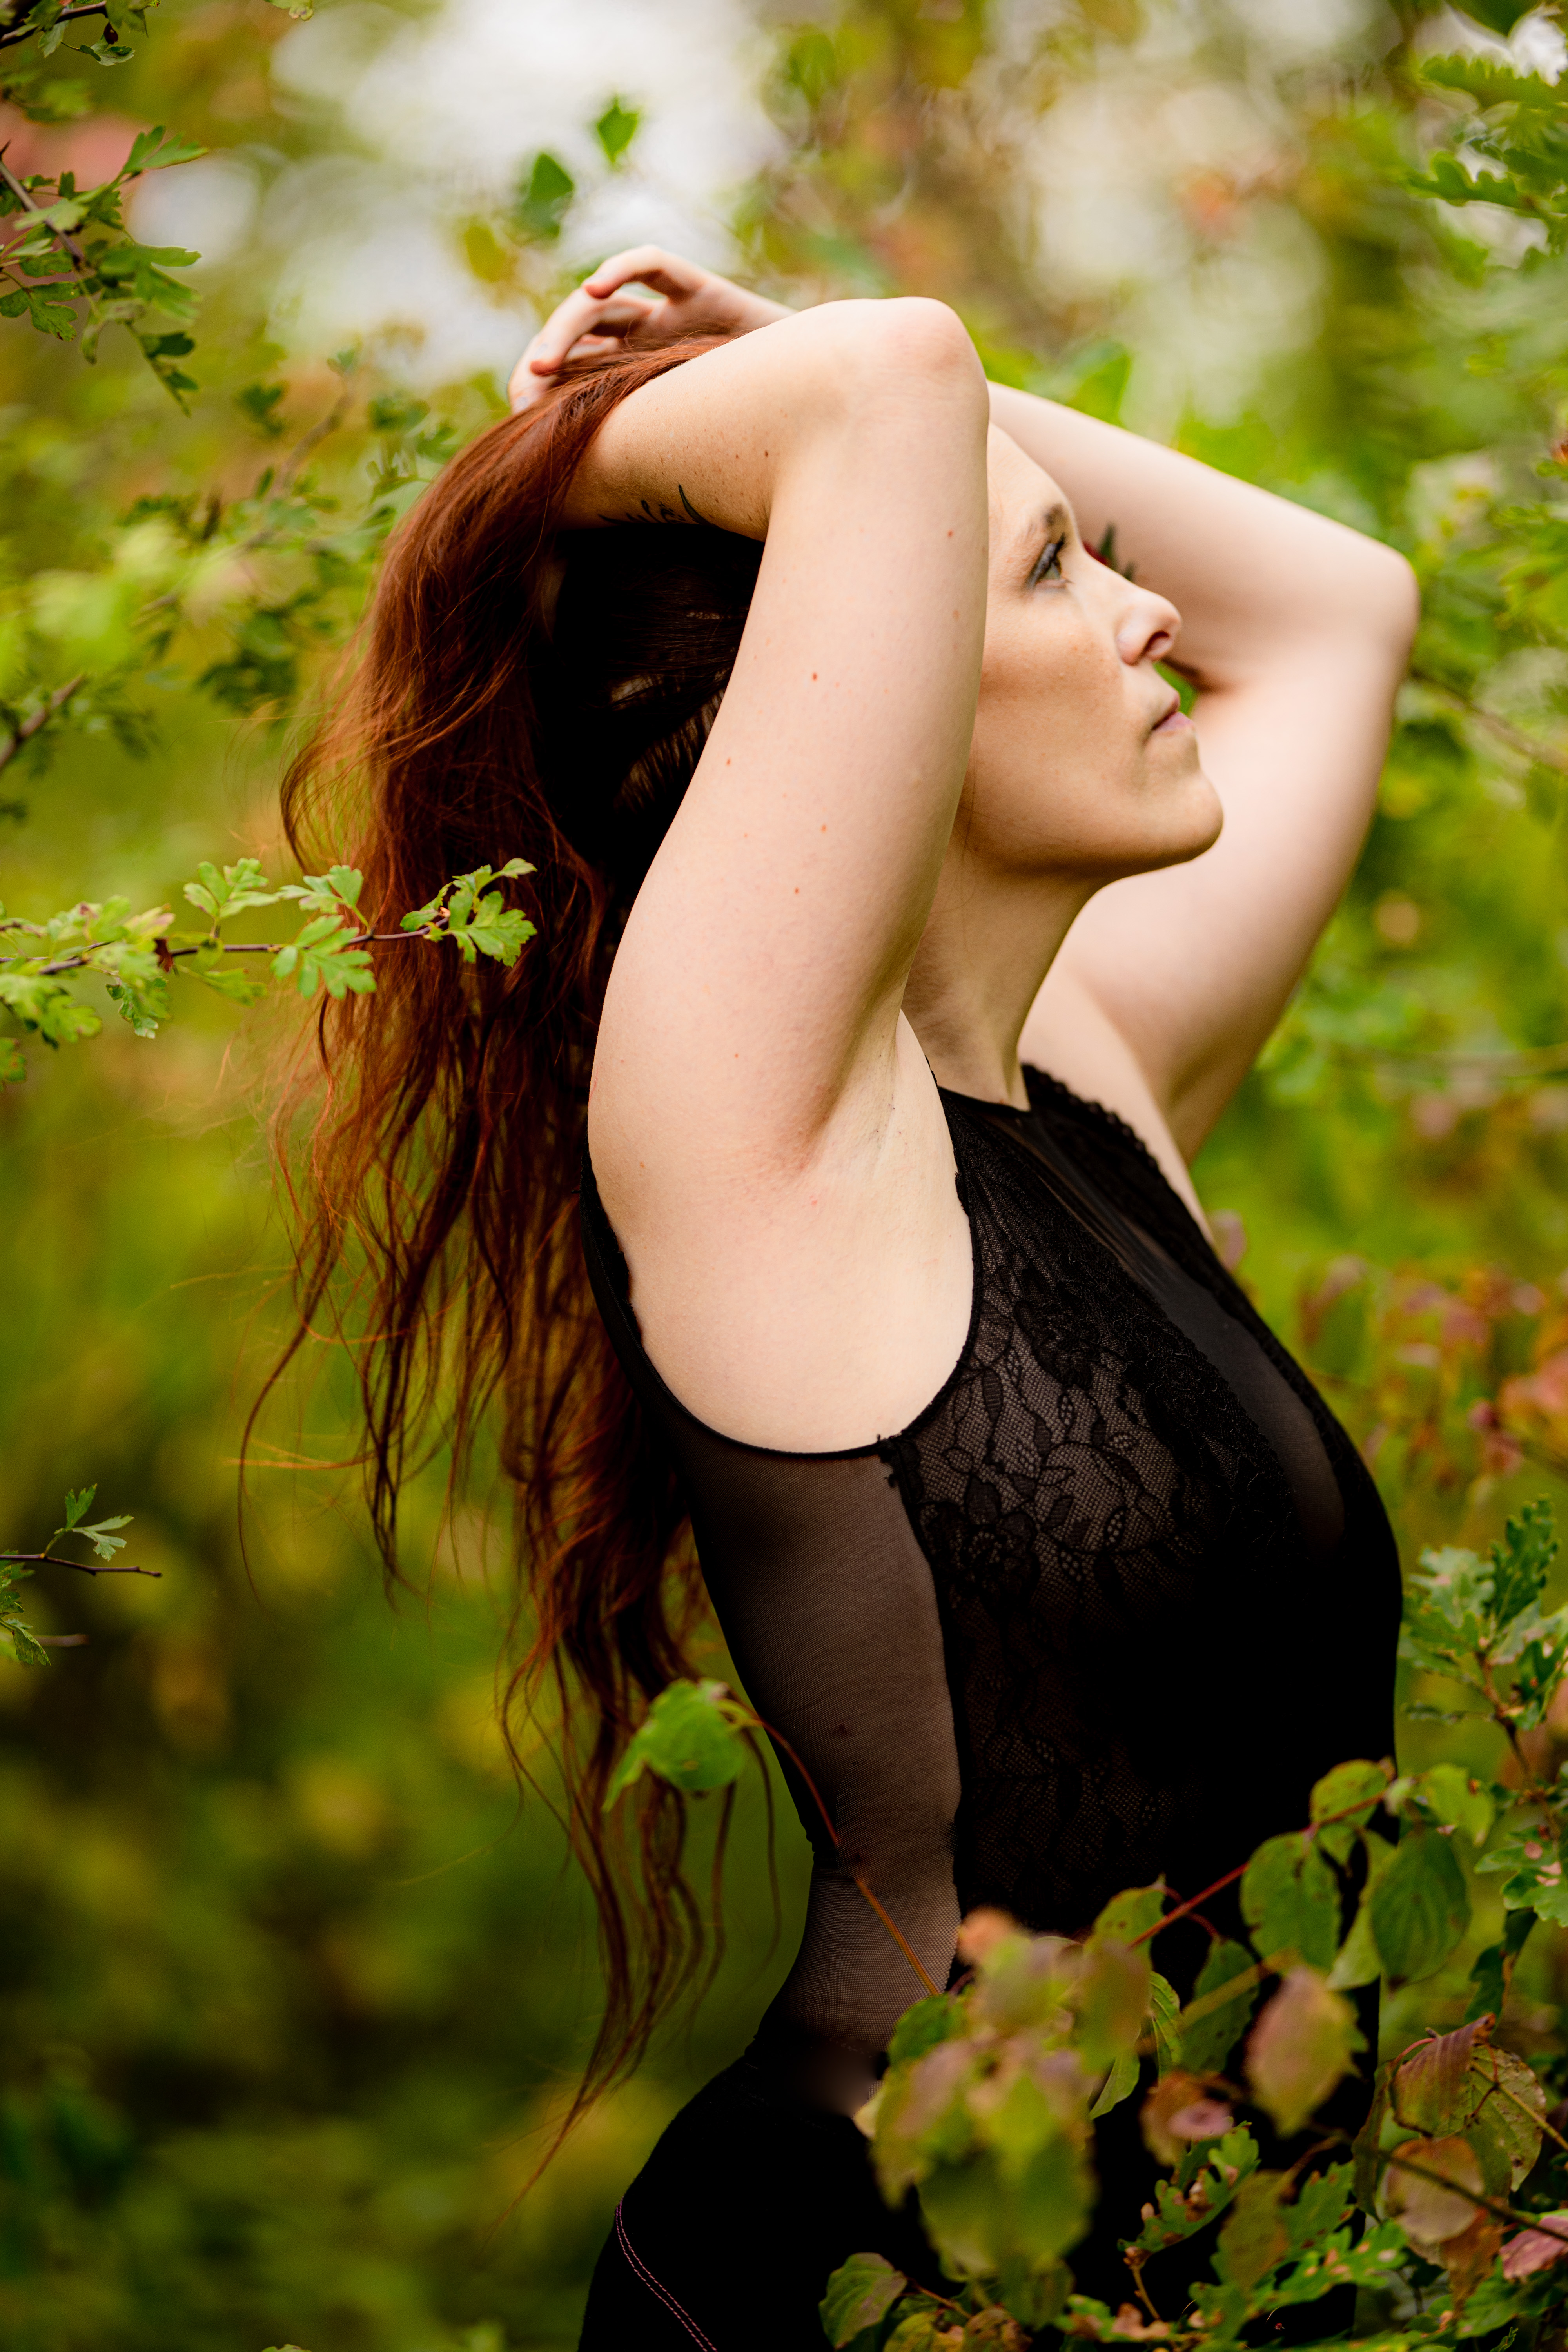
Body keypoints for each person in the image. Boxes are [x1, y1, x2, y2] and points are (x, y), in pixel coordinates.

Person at [284, 249, 1415, 2351]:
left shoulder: (1091, 1064)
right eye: (1057, 573)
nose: (1149, 613)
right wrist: (595, 452)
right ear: (856, 681)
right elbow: (892, 382)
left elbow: (1340, 608)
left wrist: (769, 346)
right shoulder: (763, 1129)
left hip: (1212, 2297)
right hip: (848, 2294)